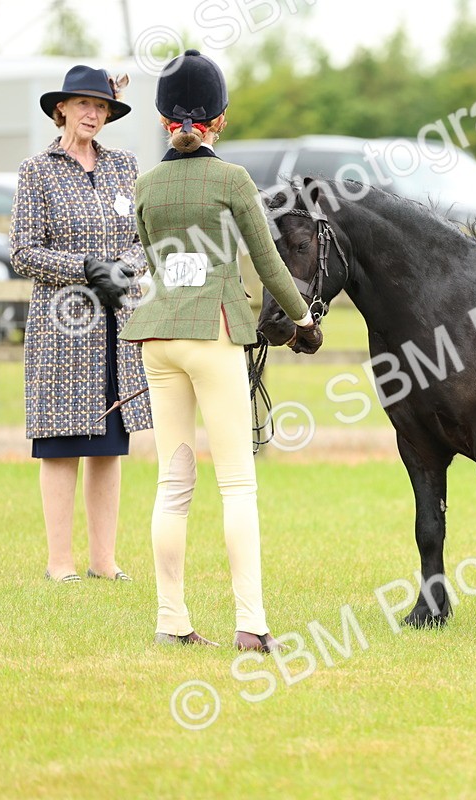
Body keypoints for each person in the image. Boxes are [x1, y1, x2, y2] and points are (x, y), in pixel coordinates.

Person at [120, 49, 322, 650]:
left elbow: (153, 258)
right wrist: (304, 315)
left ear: (164, 120)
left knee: (172, 485)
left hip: (158, 337)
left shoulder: (147, 184)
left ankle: (170, 621)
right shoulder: (233, 181)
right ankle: (252, 626)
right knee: (236, 483)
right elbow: (270, 266)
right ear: (220, 119)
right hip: (213, 334)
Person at [10, 65, 152, 584]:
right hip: (63, 330)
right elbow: (23, 250)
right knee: (63, 445)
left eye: (102, 106)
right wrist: (86, 269)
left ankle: (104, 561)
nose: (93, 113)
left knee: (109, 446)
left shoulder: (124, 167)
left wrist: (125, 269)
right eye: (83, 105)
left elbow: (145, 237)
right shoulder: (36, 170)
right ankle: (59, 563)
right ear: (61, 109)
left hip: (117, 326)